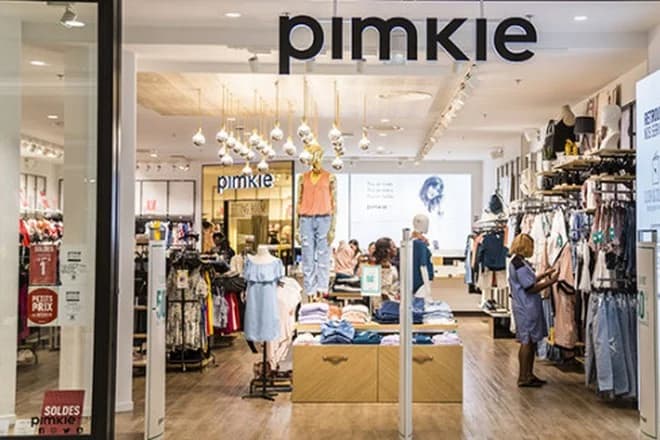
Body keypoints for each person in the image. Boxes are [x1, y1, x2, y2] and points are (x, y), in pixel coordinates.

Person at [508, 233, 558, 388]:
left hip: (525, 305)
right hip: (526, 307)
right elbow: (530, 287)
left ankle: (528, 374)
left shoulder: (519, 262)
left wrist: (544, 275)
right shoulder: (519, 264)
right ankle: (524, 377)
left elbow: (528, 281)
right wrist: (551, 282)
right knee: (527, 341)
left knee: (529, 341)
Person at [372, 237, 399, 302]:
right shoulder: (385, 266)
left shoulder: (384, 264)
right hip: (385, 304)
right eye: (393, 247)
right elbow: (384, 292)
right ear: (388, 250)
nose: (396, 248)